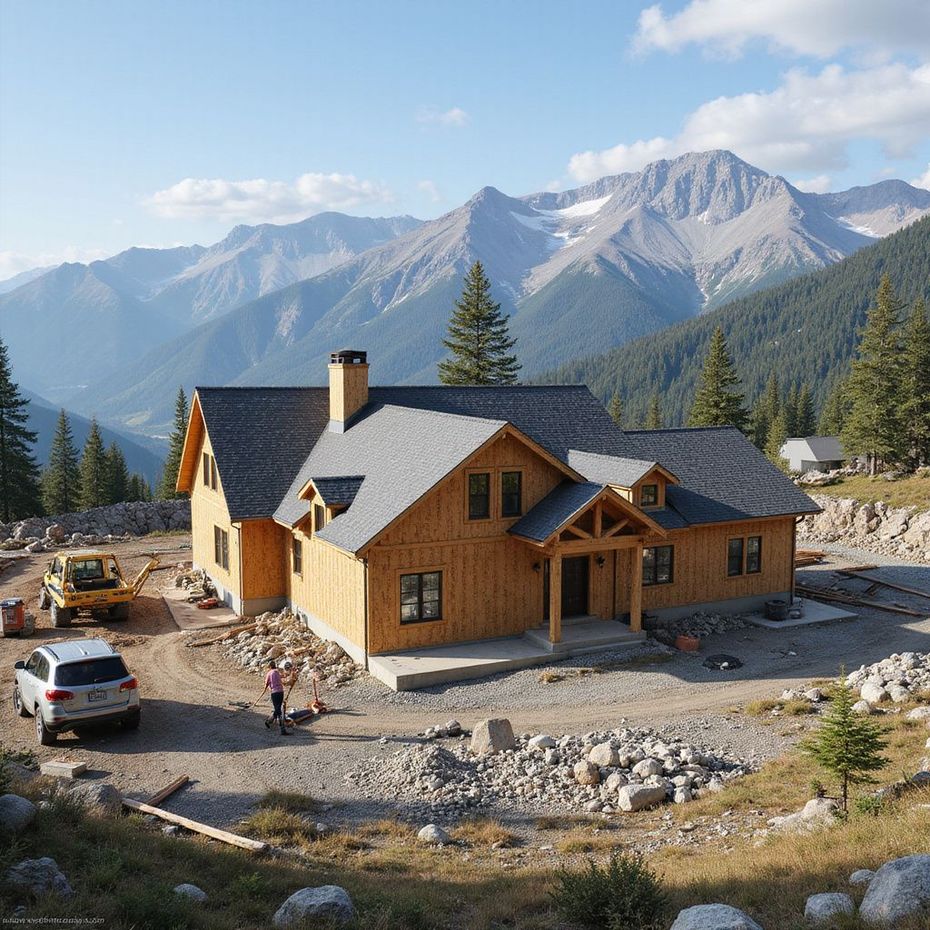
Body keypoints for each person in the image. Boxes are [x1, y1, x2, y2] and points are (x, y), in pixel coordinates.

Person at [261, 659, 289, 735]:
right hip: (281, 692)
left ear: (270, 666)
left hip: (274, 692)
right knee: (278, 708)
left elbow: (266, 683)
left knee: (277, 709)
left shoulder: (269, 673)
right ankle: (269, 721)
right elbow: (282, 676)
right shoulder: (277, 672)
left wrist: (264, 689)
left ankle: (278, 726)